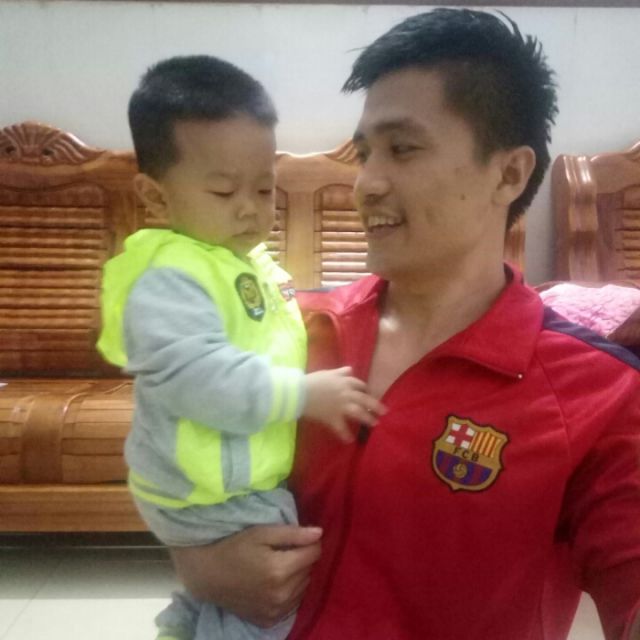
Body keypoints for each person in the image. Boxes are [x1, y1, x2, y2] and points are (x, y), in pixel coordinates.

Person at [168, 10, 640, 640]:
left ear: (508, 173)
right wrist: (197, 563)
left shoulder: (597, 393)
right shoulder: (293, 329)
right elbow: (179, 454)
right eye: (364, 154)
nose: (365, 184)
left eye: (403, 149)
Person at [97, 55, 384, 640]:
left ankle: (184, 626)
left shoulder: (237, 259)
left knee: (222, 595)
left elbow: (273, 323)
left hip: (225, 481)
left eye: (264, 187)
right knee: (270, 605)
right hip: (211, 492)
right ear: (156, 198)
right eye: (225, 190)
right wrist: (303, 394)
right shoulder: (169, 278)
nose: (251, 208)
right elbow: (199, 378)